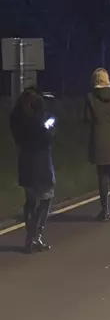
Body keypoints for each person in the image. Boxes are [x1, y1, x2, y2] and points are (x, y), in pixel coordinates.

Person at [9, 87, 55, 253]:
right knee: (45, 198)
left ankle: (31, 237)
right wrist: (49, 130)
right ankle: (35, 235)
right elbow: (45, 139)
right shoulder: (38, 117)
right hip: (41, 161)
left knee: (31, 200)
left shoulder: (16, 117)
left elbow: (18, 138)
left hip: (25, 160)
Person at [84, 68, 110, 221]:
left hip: (98, 139)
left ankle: (104, 210)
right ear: (106, 79)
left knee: (102, 177)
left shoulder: (90, 97)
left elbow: (87, 119)